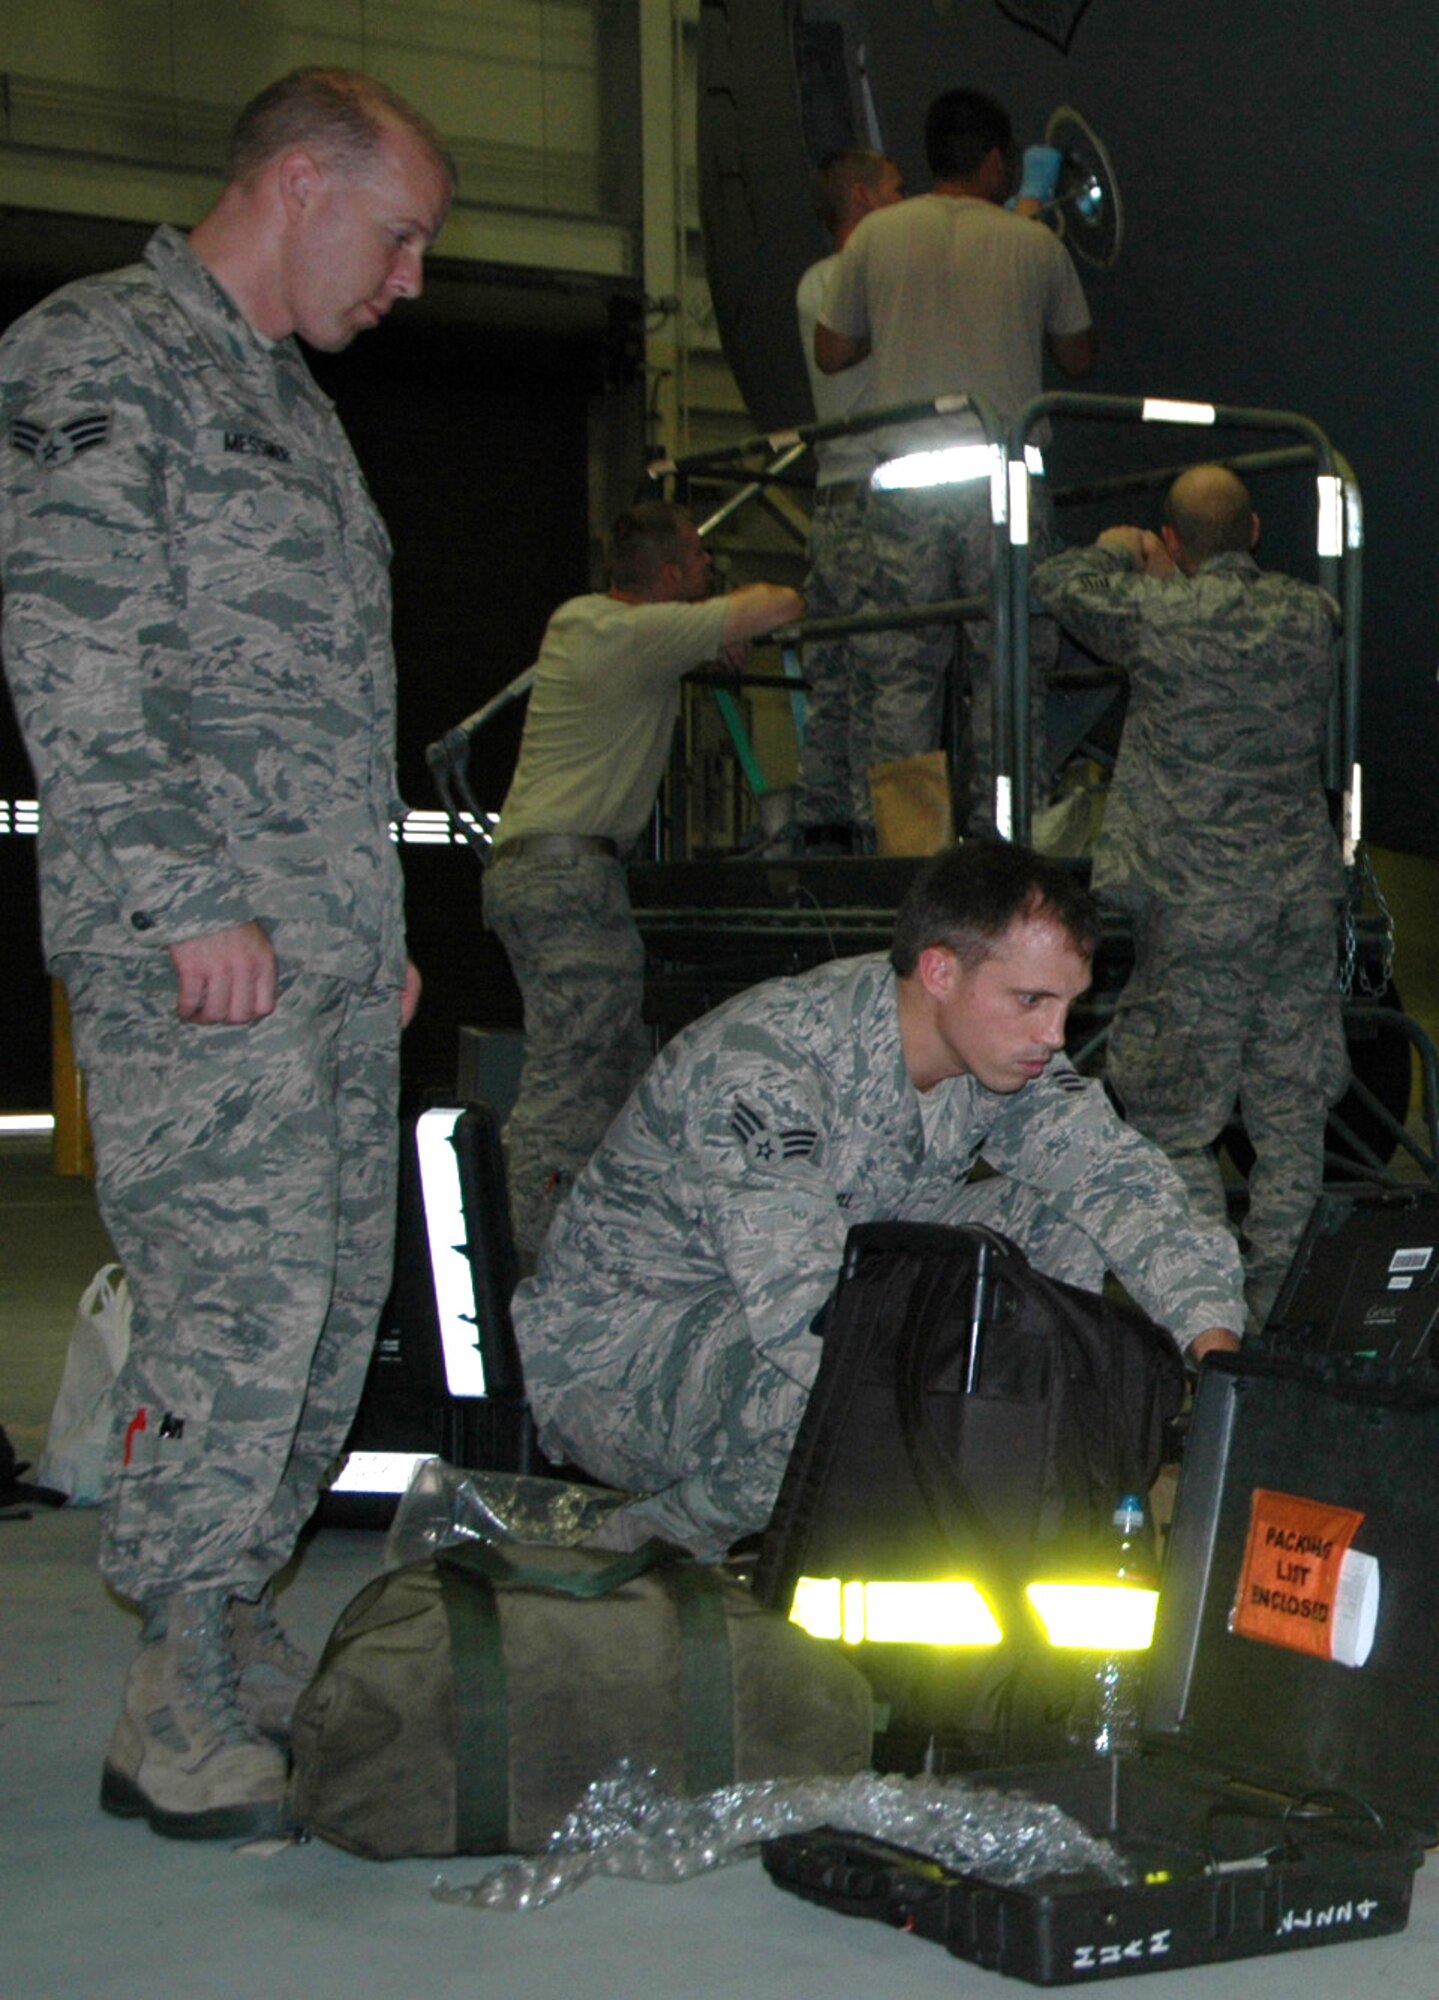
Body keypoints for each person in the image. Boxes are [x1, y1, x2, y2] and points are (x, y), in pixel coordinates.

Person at [0, 68, 453, 1840]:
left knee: (328, 1312)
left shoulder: (289, 402)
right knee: (231, 1316)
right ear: (294, 182)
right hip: (199, 956)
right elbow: (77, 659)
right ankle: (171, 1695)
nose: (409, 280)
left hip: (321, 960)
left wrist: (379, 942)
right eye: (398, 235)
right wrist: (187, 902)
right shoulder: (101, 352)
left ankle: (233, 1616)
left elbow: (328, 718)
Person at [512, 841, 1244, 1559]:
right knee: (848, 1394)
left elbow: (1121, 1183)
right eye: (1029, 1000)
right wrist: (975, 1402)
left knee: (1061, 1221)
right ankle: (636, 1543)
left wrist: (1214, 1354)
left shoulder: (999, 1055)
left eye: (1065, 1005)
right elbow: (804, 1318)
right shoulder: (767, 1063)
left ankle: (971, 1500)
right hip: (618, 1354)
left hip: (794, 1308)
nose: (1052, 1036)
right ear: (938, 971)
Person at [1033, 466, 1349, 1324]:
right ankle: (1288, 1306)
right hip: (1297, 900)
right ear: (1253, 533)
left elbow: (1057, 583)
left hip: (1198, 906)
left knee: (1174, 1115)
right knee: (1289, 1109)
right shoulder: (1309, 616)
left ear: (1172, 543)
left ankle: (1206, 1314)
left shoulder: (1155, 613)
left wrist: (1118, 551)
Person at [484, 502, 803, 1267]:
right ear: (667, 577)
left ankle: (594, 1248)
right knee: (571, 1077)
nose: (705, 574)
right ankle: (526, 1261)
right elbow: (780, 603)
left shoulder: (596, 629)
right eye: (696, 563)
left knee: (608, 1069)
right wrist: (718, 621)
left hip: (548, 872)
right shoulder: (627, 632)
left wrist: (706, 637)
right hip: (569, 879)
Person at [815, 89, 1095, 836]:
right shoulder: (1032, 245)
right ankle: (1007, 846)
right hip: (1000, 486)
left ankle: (909, 851)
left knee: (900, 678)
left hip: (904, 485)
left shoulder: (876, 237)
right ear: (998, 161)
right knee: (1005, 672)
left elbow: (832, 348)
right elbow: (1077, 352)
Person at [792, 148, 905, 853]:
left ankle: (830, 815)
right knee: (880, 668)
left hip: (841, 493)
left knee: (844, 669)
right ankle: (870, 825)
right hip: (866, 493)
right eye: (897, 191)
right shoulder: (834, 282)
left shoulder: (827, 282)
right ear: (862, 199)